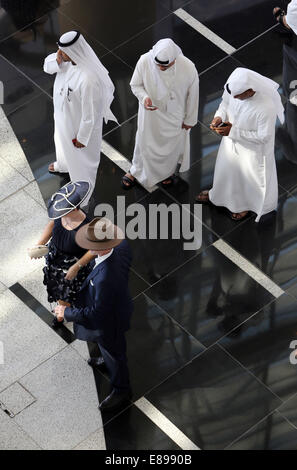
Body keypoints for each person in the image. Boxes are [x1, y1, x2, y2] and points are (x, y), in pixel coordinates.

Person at [54, 217, 133, 412]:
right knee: (108, 351)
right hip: (117, 306)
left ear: (101, 247)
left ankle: (122, 390)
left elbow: (97, 313)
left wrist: (67, 312)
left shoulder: (106, 277)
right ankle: (106, 361)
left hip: (109, 322)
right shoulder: (121, 245)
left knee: (115, 353)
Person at [196, 67, 284, 222]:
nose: (234, 98)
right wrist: (218, 117)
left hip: (252, 152)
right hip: (230, 144)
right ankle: (217, 196)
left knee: (245, 180)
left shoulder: (266, 107)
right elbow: (225, 103)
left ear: (250, 91)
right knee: (226, 172)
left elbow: (264, 137)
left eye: (239, 96)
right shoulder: (234, 90)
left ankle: (242, 206)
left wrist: (233, 132)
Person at [43, 30, 117, 205]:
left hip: (79, 126)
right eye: (59, 50)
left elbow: (90, 114)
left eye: (63, 52)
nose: (59, 54)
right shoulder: (66, 60)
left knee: (82, 159)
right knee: (61, 143)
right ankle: (63, 165)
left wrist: (83, 137)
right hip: (63, 117)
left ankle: (84, 193)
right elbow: (46, 67)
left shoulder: (89, 78)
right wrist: (57, 59)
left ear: (74, 51)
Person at [121, 38, 199, 190]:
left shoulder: (188, 67)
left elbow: (193, 95)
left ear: (174, 59)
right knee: (143, 141)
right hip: (150, 114)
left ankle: (166, 174)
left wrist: (190, 118)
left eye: (166, 65)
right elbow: (135, 85)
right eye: (158, 65)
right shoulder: (144, 61)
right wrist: (145, 98)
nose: (161, 68)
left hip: (175, 115)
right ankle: (135, 171)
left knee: (170, 146)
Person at [29, 181, 96, 326]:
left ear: (73, 209)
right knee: (56, 286)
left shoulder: (87, 228)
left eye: (63, 212)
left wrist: (76, 267)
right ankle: (63, 309)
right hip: (55, 257)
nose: (60, 213)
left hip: (72, 265)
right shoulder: (62, 213)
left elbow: (94, 250)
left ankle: (62, 314)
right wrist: (39, 244)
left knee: (65, 293)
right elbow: (52, 224)